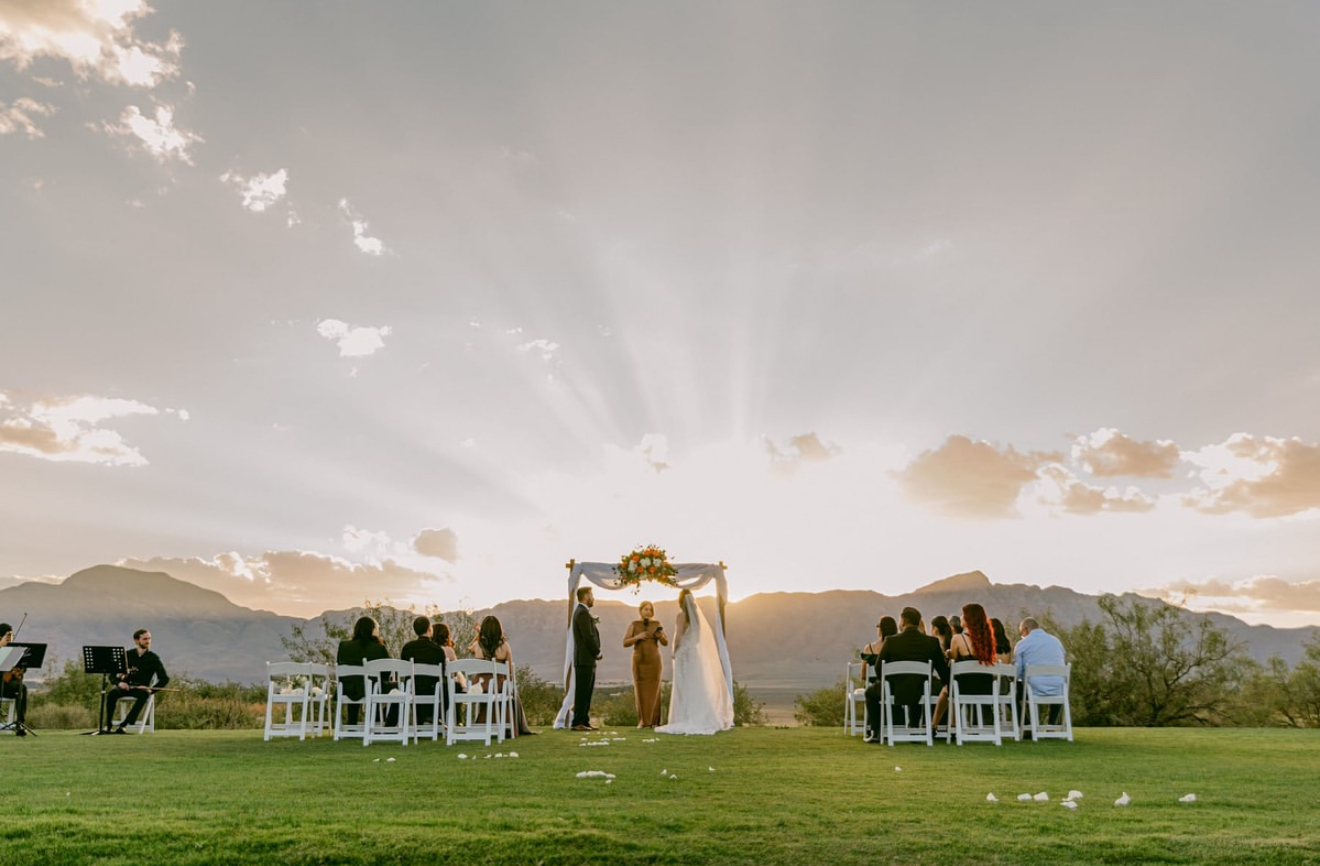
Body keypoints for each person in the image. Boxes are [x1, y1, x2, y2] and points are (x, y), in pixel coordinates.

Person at [864, 606, 949, 742]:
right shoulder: (931, 642)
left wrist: (887, 682)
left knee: (869, 693)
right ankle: (915, 728)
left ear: (903, 621)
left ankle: (876, 732)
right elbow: (943, 672)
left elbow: (879, 668)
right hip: (923, 688)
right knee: (927, 685)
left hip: (894, 687)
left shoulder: (891, 641)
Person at [657, 589, 733, 735]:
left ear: (680, 602)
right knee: (696, 684)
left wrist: (674, 650)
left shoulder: (681, 616)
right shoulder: (696, 619)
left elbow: (678, 635)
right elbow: (697, 640)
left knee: (683, 686)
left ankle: (684, 717)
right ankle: (699, 716)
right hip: (694, 654)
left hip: (683, 654)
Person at [470, 615, 536, 736]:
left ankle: (484, 723)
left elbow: (469, 647)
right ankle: (507, 725)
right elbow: (509, 671)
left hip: (479, 686)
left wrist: (479, 634)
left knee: (496, 690)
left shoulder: (477, 645)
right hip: (498, 685)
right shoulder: (505, 647)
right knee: (509, 691)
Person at [934, 603, 997, 729]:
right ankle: (952, 725)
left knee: (947, 690)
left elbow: (953, 662)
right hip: (986, 687)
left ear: (969, 618)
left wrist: (949, 654)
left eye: (963, 614)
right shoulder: (988, 640)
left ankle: (934, 725)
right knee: (951, 688)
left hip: (964, 687)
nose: (961, 617)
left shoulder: (958, 638)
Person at [106, 628, 169, 734]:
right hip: (125, 687)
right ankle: (108, 725)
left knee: (143, 695)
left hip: (140, 689)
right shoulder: (127, 655)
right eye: (145, 639)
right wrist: (119, 683)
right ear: (136, 641)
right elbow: (112, 675)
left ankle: (124, 725)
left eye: (149, 639)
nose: (148, 641)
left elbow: (164, 679)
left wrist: (151, 690)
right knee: (112, 693)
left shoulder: (153, 658)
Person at [336, 616, 390, 726]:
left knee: (355, 682)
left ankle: (352, 722)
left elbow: (340, 663)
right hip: (371, 687)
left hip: (347, 687)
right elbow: (386, 672)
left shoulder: (344, 646)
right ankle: (385, 723)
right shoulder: (379, 648)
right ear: (372, 630)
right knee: (396, 688)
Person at [623, 600, 669, 727]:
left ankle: (654, 722)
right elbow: (625, 642)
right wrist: (637, 637)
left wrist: (659, 636)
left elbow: (666, 642)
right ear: (640, 610)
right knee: (640, 690)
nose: (648, 612)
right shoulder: (634, 624)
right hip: (639, 662)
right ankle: (643, 722)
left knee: (655, 690)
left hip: (654, 661)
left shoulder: (657, 624)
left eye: (650, 610)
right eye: (645, 609)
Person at [1015, 617, 1067, 728]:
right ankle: (1052, 725)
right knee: (1056, 683)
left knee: (1010, 694)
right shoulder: (1056, 641)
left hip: (1033, 689)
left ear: (1025, 629)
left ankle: (1026, 725)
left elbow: (1017, 672)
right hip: (1059, 688)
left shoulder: (1023, 644)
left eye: (1021, 633)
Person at [400, 616, 448, 724]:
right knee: (448, 686)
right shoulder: (437, 649)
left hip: (412, 688)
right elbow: (442, 673)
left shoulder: (407, 648)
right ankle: (438, 717)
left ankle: (423, 720)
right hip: (433, 689)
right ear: (429, 629)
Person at [570, 586, 601, 732]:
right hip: (584, 659)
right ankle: (577, 722)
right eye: (592, 595)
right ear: (586, 596)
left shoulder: (583, 612)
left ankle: (584, 721)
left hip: (587, 660)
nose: (593, 597)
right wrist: (597, 652)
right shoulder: (582, 613)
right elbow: (587, 636)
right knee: (582, 692)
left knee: (587, 692)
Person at [0, 623, 29, 736]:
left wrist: (19, 671)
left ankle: (20, 723)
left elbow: (18, 671)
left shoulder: (13, 651)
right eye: (8, 636)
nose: (10, 639)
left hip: (6, 686)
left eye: (12, 636)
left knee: (21, 687)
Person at [859, 616, 898, 685]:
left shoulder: (869, 648)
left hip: (874, 689)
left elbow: (863, 675)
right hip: (894, 688)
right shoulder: (899, 648)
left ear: (881, 629)